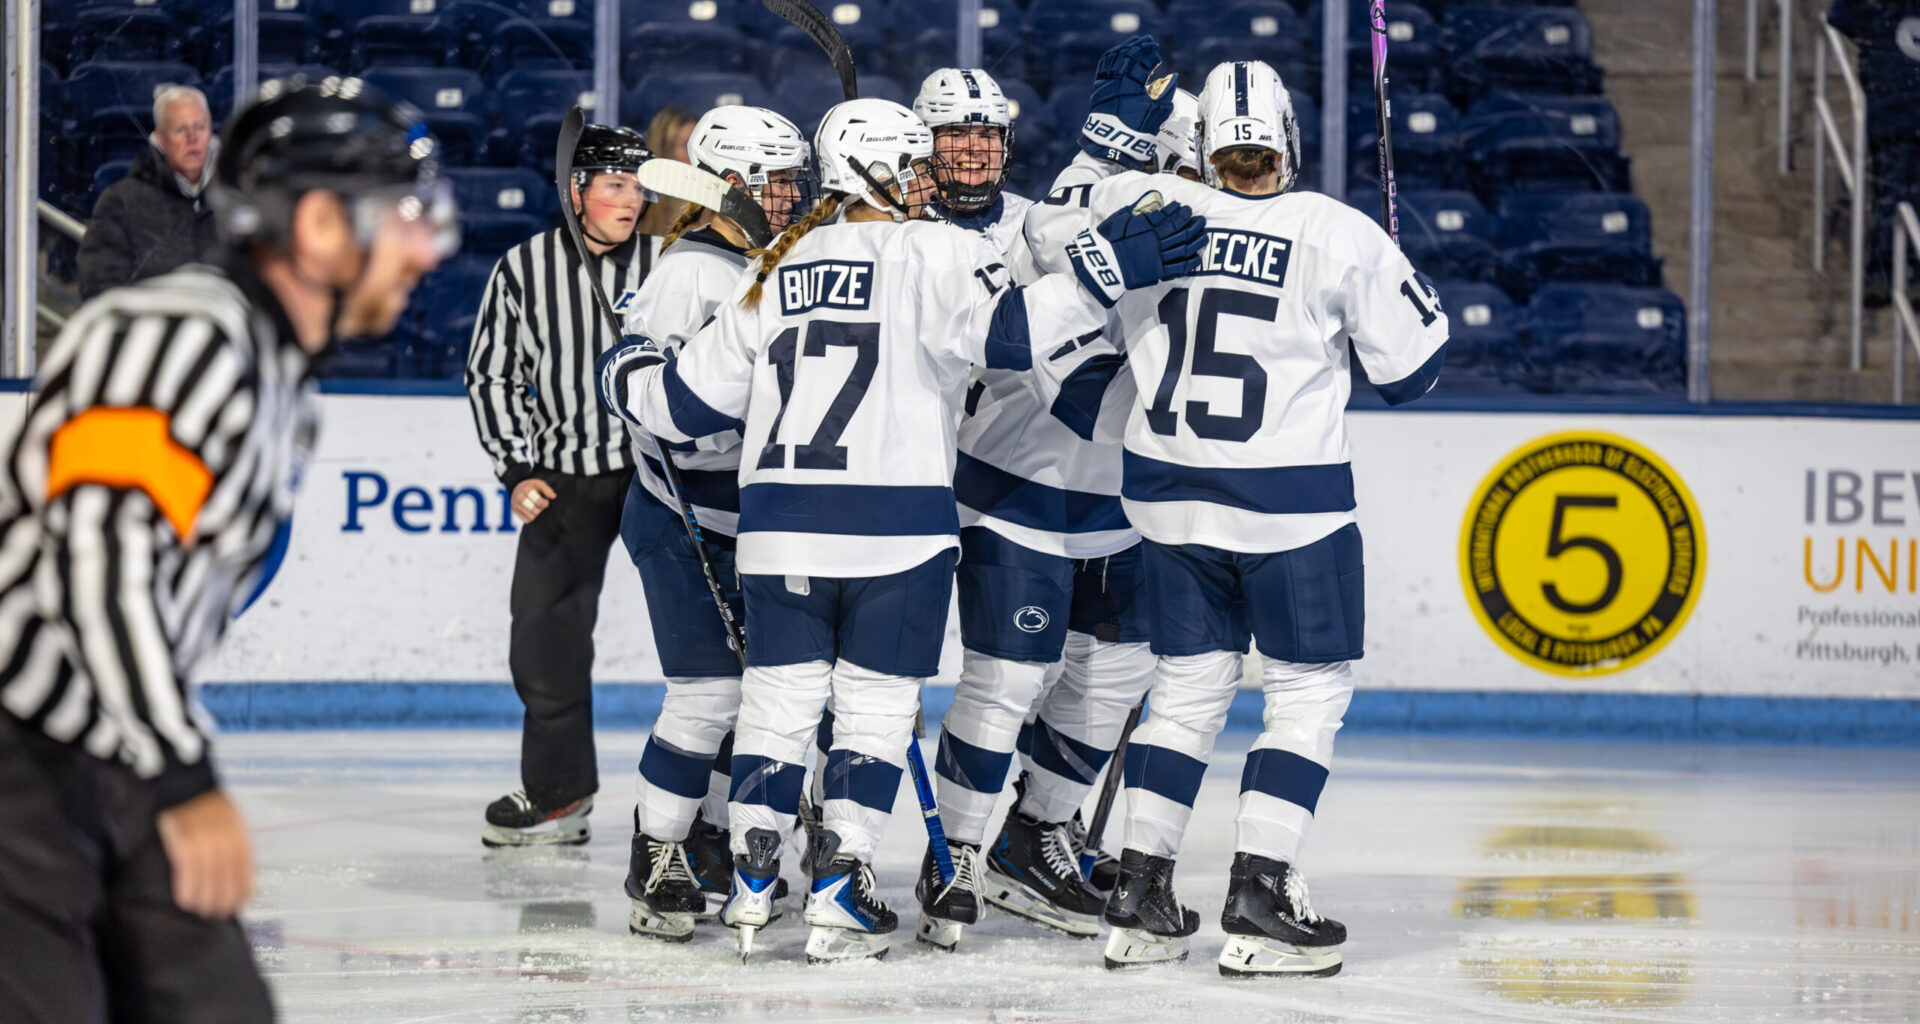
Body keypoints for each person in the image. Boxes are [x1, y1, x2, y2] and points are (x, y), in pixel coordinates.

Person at [597, 96, 1205, 963]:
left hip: (779, 528)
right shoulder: (939, 249)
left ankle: (752, 882)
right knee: (875, 713)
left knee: (777, 704)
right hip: (897, 530)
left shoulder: (779, 259)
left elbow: (681, 406)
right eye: (914, 163)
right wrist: (1103, 270)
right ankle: (840, 886)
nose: (928, 177)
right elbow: (1010, 336)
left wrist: (625, 366)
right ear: (876, 171)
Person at [0, 74, 453, 1023]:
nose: (425, 248)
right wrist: (182, 773)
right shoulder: (175, 336)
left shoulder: (276, 372)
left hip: (109, 756)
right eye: (401, 217)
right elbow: (101, 554)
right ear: (319, 225)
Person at [1043, 60, 1449, 977]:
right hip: (1289, 511)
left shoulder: (1148, 210)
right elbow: (1413, 376)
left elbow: (1053, 261)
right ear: (1288, 141)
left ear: (1201, 147)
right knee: (1306, 694)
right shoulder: (1336, 232)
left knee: (1186, 691)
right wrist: (1391, 274)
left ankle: (1138, 895)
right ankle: (1261, 895)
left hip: (1169, 503)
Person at [913, 42, 1176, 951]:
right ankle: (952, 851)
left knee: (1118, 673)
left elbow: (1084, 231)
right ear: (923, 144)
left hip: (1112, 493)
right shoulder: (911, 242)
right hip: (1008, 486)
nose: (975, 149)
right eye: (955, 134)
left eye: (988, 134)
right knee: (1008, 680)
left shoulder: (1038, 216)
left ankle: (1036, 835)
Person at [616, 104, 816, 940]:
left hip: (760, 521)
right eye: (776, 183)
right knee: (709, 694)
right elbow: (648, 404)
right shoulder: (689, 273)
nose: (791, 196)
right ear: (729, 184)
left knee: (763, 699)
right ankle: (656, 849)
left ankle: (711, 841)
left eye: (796, 181)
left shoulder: (782, 261)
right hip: (682, 516)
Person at [465, 124, 656, 848]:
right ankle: (558, 794)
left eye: (638, 187)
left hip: (657, 480)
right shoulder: (523, 269)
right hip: (563, 480)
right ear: (577, 191)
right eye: (615, 185)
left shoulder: (670, 263)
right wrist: (515, 467)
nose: (631, 200)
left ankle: (719, 810)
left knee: (711, 639)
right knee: (544, 644)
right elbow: (492, 374)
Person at [76, 84, 223, 299]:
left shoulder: (240, 197)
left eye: (200, 127)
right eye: (180, 129)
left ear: (211, 132)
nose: (192, 138)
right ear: (160, 139)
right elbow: (99, 291)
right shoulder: (121, 203)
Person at [639, 105, 699, 235]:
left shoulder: (709, 207)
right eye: (686, 145)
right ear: (664, 150)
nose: (696, 155)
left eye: (699, 145)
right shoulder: (638, 206)